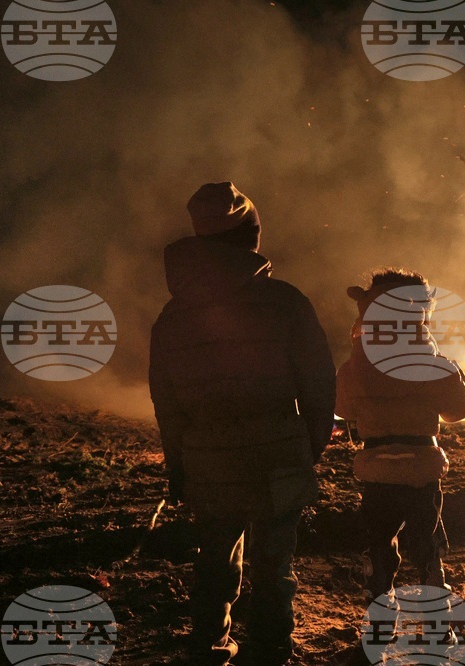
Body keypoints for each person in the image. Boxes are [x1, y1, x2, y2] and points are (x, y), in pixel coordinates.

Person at [149, 182, 335, 666]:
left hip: (208, 459)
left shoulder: (171, 318)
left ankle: (210, 645)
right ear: (252, 236)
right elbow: (318, 385)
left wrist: (180, 465)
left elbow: (166, 404)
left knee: (214, 558)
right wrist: (308, 449)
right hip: (279, 454)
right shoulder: (284, 302)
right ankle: (270, 649)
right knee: (275, 564)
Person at [335, 269, 465, 602]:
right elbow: (460, 409)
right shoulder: (432, 363)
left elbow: (343, 409)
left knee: (380, 537)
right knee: (425, 538)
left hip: (377, 467)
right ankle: (433, 586)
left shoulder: (355, 365)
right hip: (420, 467)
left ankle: (379, 591)